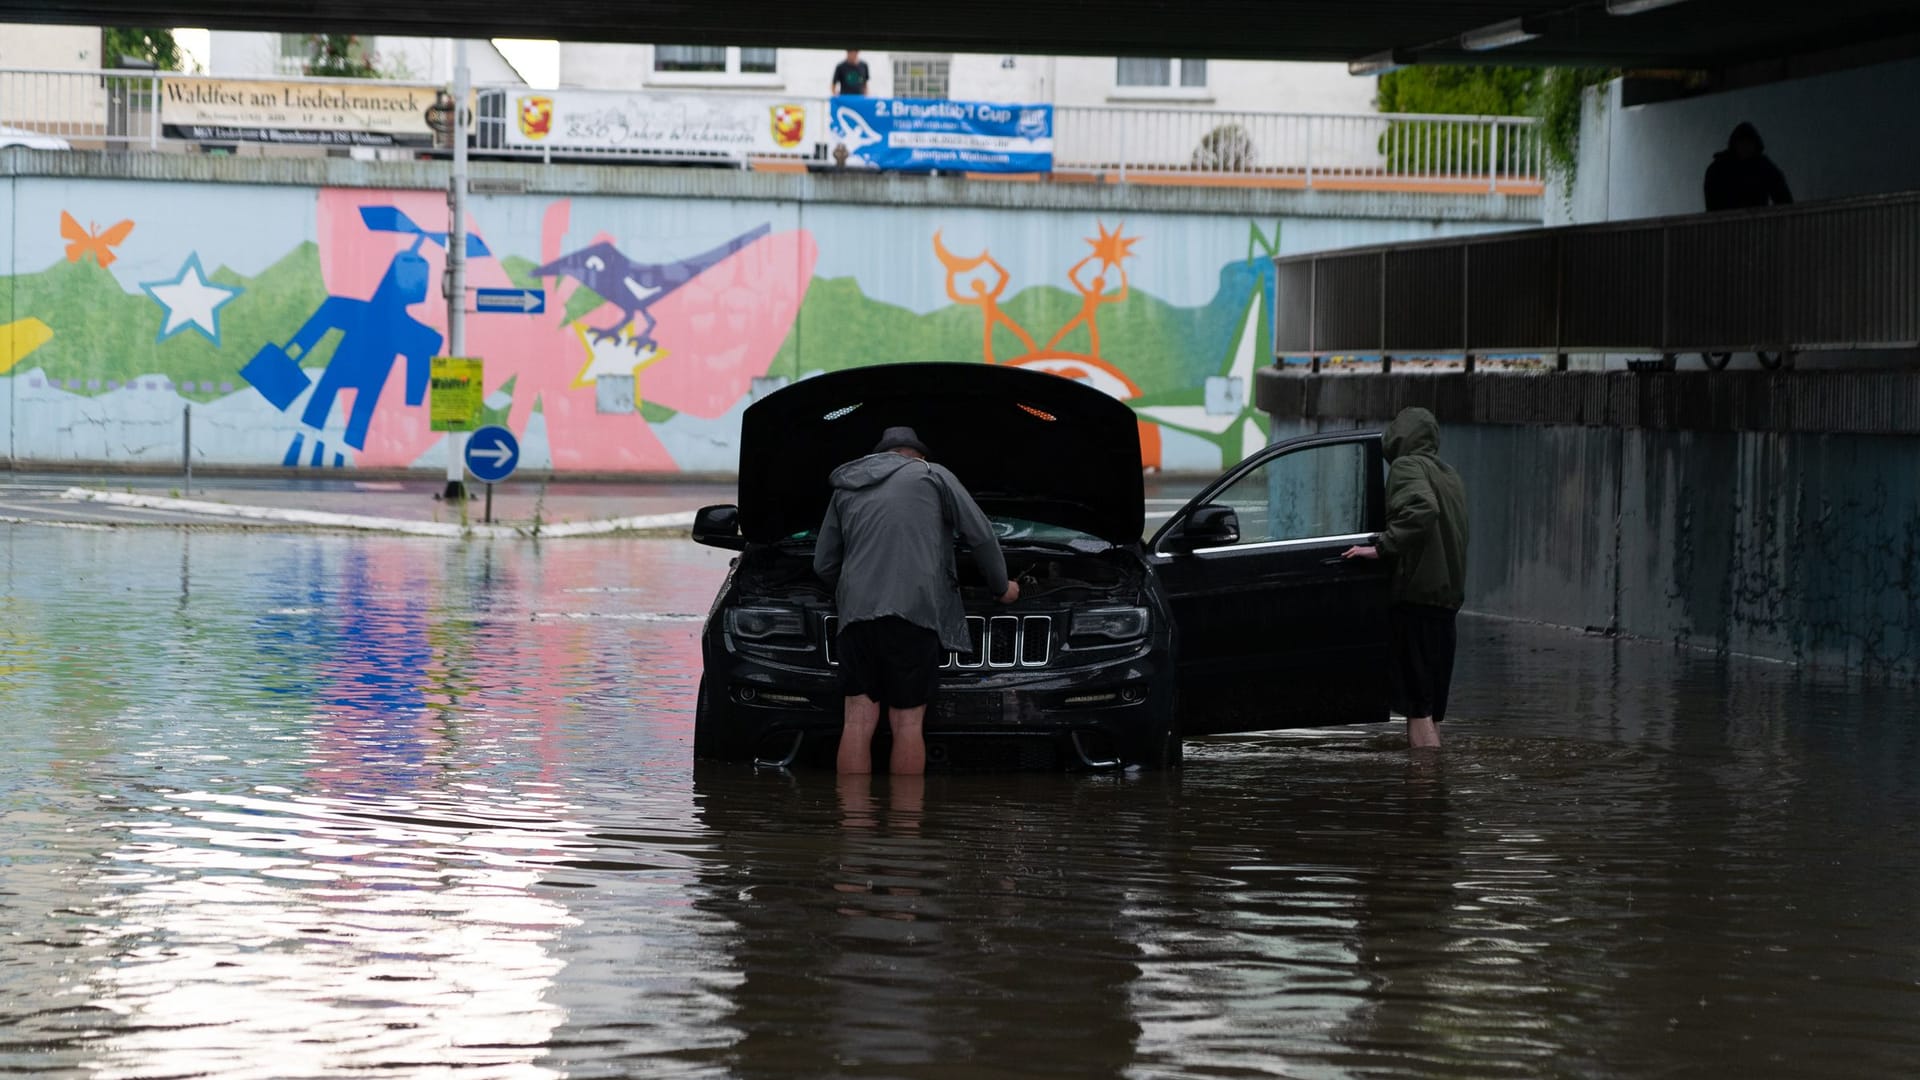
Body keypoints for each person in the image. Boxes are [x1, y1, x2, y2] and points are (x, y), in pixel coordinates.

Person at [814, 427, 1018, 774]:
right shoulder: (932, 475)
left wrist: (854, 591)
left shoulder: (848, 486)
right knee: (907, 725)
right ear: (918, 455)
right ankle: (905, 826)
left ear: (880, 456)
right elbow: (980, 536)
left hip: (855, 618)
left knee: (858, 723)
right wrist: (1002, 588)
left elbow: (823, 564)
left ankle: (854, 824)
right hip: (912, 614)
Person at [1342, 407, 1468, 750]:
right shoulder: (1449, 475)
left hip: (1417, 601)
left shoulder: (1406, 466)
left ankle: (1422, 796)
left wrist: (1382, 547)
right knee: (1431, 711)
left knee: (1417, 708)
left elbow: (1422, 510)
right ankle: (1434, 790)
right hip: (1446, 605)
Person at [1704, 122, 1792, 212]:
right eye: (1741, 142)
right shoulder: (1718, 169)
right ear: (1734, 145)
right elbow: (1712, 205)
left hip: (1758, 223)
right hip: (1726, 223)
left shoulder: (1764, 167)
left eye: (1749, 143)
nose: (1745, 147)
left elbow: (1783, 198)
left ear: (1755, 145)